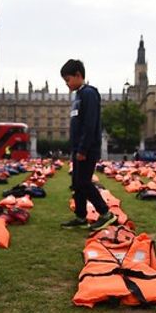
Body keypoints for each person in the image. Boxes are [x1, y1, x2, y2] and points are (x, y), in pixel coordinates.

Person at [59, 59, 115, 231]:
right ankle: (81, 216)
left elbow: (90, 124)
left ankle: (106, 213)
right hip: (78, 149)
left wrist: (83, 148)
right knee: (77, 183)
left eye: (68, 80)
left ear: (78, 75)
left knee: (84, 182)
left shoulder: (89, 93)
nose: (67, 84)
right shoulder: (79, 95)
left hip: (87, 149)